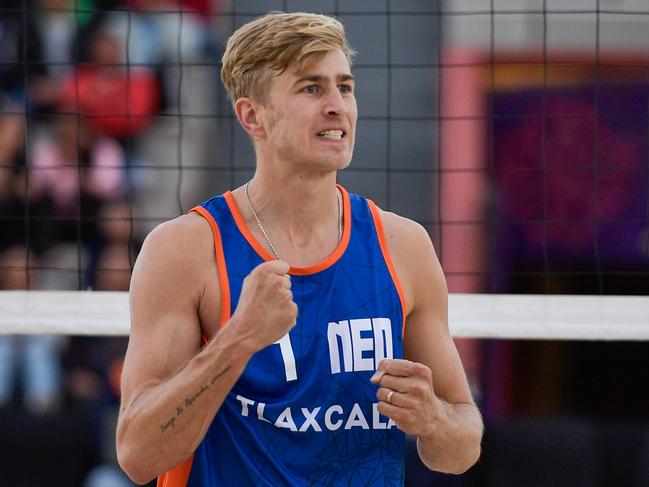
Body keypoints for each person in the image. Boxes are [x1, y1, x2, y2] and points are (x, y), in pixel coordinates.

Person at [116, 12, 483, 486]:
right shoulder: (186, 248)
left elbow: (462, 446)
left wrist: (433, 419)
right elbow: (137, 454)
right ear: (252, 116)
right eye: (311, 89)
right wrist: (239, 339)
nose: (338, 106)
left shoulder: (403, 245)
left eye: (344, 87)